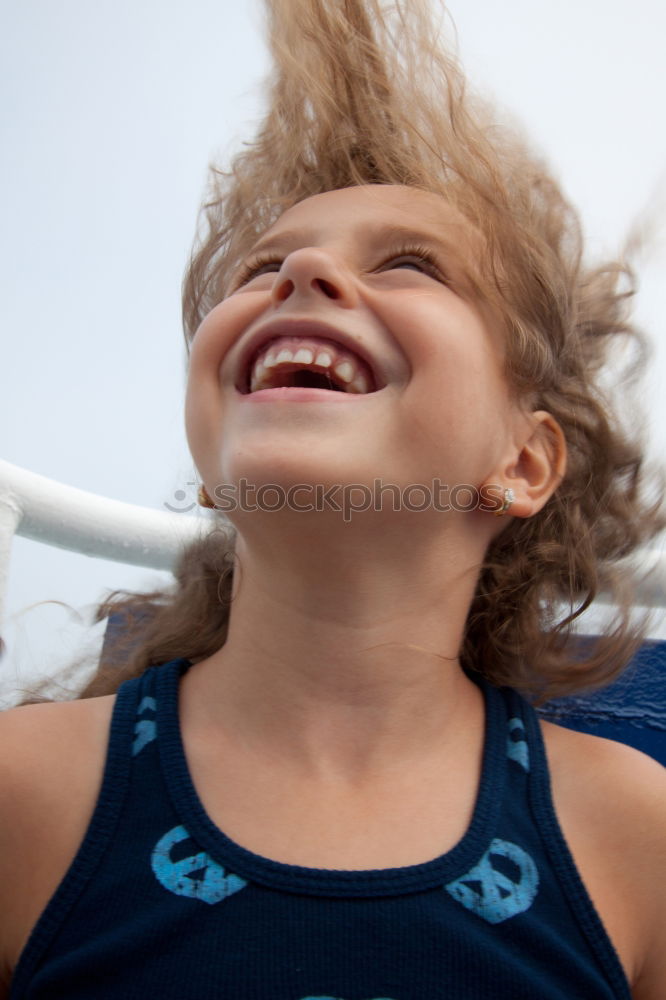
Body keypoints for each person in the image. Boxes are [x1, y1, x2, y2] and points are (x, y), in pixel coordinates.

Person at [1, 0, 664, 997]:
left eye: (408, 264)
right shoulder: (26, 794)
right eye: (261, 267)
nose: (302, 272)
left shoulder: (629, 834)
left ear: (525, 464)